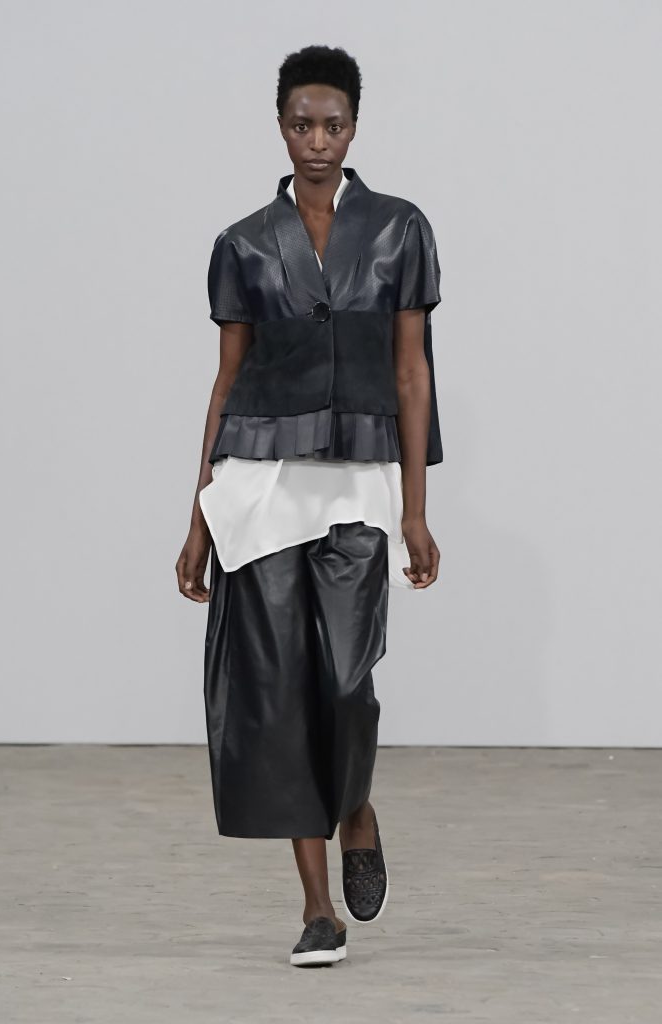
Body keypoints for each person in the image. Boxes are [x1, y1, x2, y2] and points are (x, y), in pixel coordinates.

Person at [175, 44, 443, 968]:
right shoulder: (244, 243)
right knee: (281, 695)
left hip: (358, 481)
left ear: (354, 128)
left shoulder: (399, 229)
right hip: (260, 484)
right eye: (301, 124)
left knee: (343, 683)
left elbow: (411, 374)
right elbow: (226, 382)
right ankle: (318, 909)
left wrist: (415, 509)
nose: (317, 140)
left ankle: (354, 805)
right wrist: (197, 517)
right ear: (281, 127)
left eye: (332, 125)